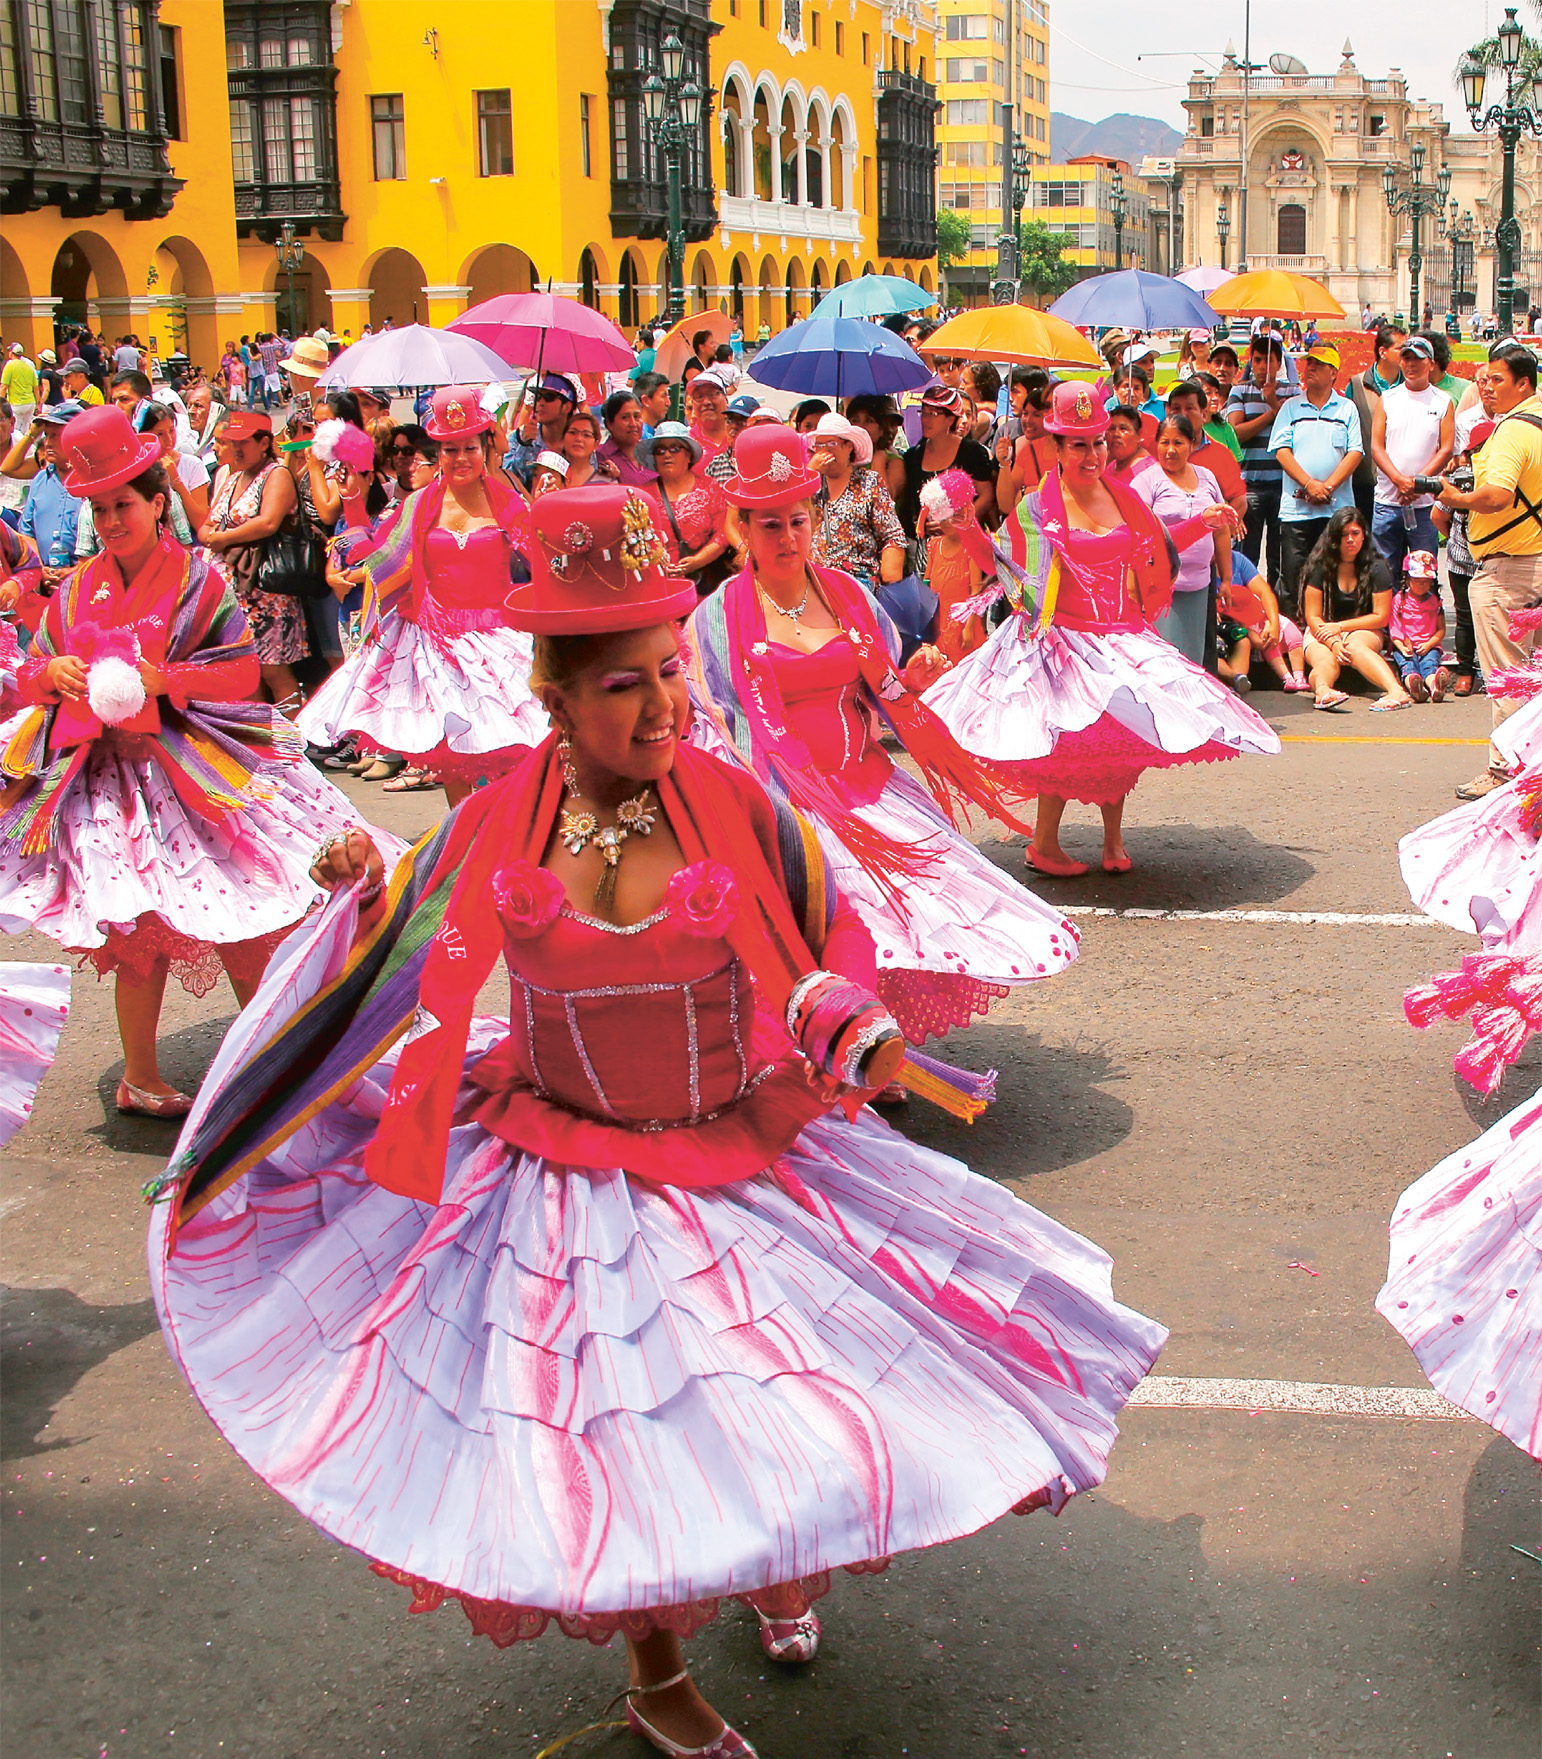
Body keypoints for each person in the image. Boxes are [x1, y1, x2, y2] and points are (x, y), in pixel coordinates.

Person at [148, 480, 1165, 1759]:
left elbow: (813, 945)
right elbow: (403, 952)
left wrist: (850, 1021)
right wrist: (362, 893)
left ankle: (776, 1559)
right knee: (619, 1438)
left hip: (735, 1150)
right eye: (626, 682)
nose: (666, 704)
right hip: (563, 1175)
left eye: (671, 671)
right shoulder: (499, 814)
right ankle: (656, 1667)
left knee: (783, 1395)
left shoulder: (730, 803)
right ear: (556, 697)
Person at [0, 406, 367, 1116]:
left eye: (123, 504)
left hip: (199, 772)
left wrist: (172, 680)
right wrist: (58, 676)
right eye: (100, 508)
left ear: (157, 500)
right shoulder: (77, 588)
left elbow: (238, 671)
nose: (111, 520)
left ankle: (269, 1059)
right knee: (140, 931)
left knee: (242, 917)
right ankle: (140, 1075)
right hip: (112, 784)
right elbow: (30, 670)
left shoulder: (198, 579)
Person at [689, 422, 1079, 1052]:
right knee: (810, 929)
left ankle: (871, 1044)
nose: (787, 537)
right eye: (769, 524)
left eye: (798, 519)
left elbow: (882, 684)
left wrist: (916, 675)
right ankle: (821, 1047)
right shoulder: (717, 615)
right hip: (782, 805)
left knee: (887, 928)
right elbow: (712, 725)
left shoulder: (848, 594)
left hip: (867, 788)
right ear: (742, 527)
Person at [922, 381, 1279, 877]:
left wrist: (1204, 521)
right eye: (1078, 443)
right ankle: (1045, 845)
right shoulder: (1037, 507)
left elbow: (1155, 545)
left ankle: (1112, 841)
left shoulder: (1125, 498)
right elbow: (1004, 564)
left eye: (1098, 441)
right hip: (1064, 639)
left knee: (1124, 731)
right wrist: (964, 526)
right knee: (1065, 740)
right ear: (1056, 446)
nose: (1091, 453)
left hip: (1121, 635)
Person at [297, 387, 548, 808]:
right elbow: (378, 556)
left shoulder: (507, 501)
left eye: (470, 446)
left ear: (486, 448)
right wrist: (353, 500)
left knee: (514, 750)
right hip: (436, 644)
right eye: (449, 449)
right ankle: (462, 845)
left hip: (501, 642)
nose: (461, 458)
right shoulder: (420, 504)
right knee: (454, 760)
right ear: (437, 453)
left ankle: (511, 842)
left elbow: (543, 560)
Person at [1436, 340, 1542, 797]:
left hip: (1509, 569)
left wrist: (1456, 498)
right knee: (1531, 674)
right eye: (1484, 379)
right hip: (1533, 559)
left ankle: (1505, 771)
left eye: (1497, 380)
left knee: (1507, 676)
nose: (1487, 389)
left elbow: (1497, 494)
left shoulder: (1514, 431)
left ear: (1523, 384)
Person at [1269, 341, 1363, 616]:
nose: (1310, 368)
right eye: (1308, 363)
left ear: (1334, 372)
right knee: (1293, 575)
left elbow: (1355, 452)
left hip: (1336, 509)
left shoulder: (1346, 409)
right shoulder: (1291, 408)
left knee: (1335, 573)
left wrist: (1327, 487)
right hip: (1297, 511)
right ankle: (1295, 636)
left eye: (1318, 364)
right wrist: (1310, 484)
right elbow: (1282, 451)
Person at [1298, 506, 1410, 712]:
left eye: (1355, 533)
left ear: (1364, 535)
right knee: (1325, 659)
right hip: (1322, 628)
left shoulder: (1377, 567)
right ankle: (1323, 691)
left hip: (1363, 628)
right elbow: (1312, 616)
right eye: (1344, 535)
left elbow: (1381, 617)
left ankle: (1396, 691)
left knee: (1355, 647)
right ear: (1334, 538)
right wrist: (1332, 642)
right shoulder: (1320, 566)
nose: (1350, 539)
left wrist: (1340, 628)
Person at [1431, 366, 1497, 698]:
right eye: (1475, 448)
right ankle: (1467, 671)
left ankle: (1495, 672)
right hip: (1461, 558)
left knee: (1495, 616)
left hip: (1493, 558)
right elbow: (1438, 516)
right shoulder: (1459, 477)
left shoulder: (1499, 479)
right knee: (1466, 616)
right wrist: (1459, 537)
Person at [1369, 335, 1455, 579]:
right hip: (1388, 499)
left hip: (1423, 503)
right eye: (1406, 359)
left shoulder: (1442, 401)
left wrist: (1417, 483)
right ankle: (1388, 617)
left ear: (1430, 363)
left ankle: (1422, 617)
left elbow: (1446, 448)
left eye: (1417, 359)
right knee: (1384, 574)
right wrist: (1399, 480)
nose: (1410, 364)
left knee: (1424, 571)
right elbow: (1377, 446)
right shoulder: (1388, 399)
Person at [808, 412, 906, 591]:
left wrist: (891, 579)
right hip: (816, 582)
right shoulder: (810, 486)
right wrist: (809, 475)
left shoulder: (869, 482)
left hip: (859, 582)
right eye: (820, 445)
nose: (825, 451)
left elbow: (892, 536)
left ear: (848, 447)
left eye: (832, 444)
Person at [1227, 333, 1293, 595]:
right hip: (1251, 484)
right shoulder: (1240, 391)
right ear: (1250, 362)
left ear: (1279, 363)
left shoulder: (1292, 392)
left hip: (1282, 484)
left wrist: (1275, 402)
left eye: (1270, 360)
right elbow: (1237, 433)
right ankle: (1244, 602)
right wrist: (1271, 412)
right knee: (1247, 552)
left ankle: (1276, 606)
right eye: (1258, 360)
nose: (1264, 366)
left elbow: (1294, 432)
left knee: (1279, 554)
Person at [897, 386, 995, 545]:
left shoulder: (971, 452)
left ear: (950, 419)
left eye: (933, 414)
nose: (925, 419)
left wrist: (957, 523)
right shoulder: (912, 457)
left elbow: (986, 496)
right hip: (926, 548)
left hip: (965, 542)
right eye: (923, 412)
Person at [637, 420, 730, 589]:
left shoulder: (709, 487)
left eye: (674, 448)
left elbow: (723, 533)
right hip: (659, 585)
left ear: (688, 455)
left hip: (704, 582)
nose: (667, 454)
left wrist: (697, 561)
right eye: (660, 450)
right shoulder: (643, 495)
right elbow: (637, 537)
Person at [1217, 553, 1308, 692]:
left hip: (1239, 622)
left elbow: (1264, 592)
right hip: (1215, 623)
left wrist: (1273, 624)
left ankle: (1235, 687)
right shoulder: (1202, 566)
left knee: (1244, 642)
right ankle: (1234, 678)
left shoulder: (1237, 560)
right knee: (1218, 647)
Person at [1345, 322, 1407, 523]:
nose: (1406, 354)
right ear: (1383, 352)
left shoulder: (1411, 386)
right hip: (1365, 480)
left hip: (1402, 481)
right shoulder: (1357, 384)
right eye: (1400, 348)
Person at [16, 404, 84, 578]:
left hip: (88, 581)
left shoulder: (95, 480)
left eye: (56, 436)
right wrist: (39, 569)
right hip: (46, 579)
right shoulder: (40, 480)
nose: (48, 443)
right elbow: (27, 532)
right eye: (47, 435)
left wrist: (74, 572)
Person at [1164, 379, 1247, 519]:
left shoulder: (1220, 455)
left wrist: (1221, 535)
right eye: (1176, 409)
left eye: (1189, 408)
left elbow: (1239, 500)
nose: (1182, 415)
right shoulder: (1153, 448)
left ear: (1203, 415)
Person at [1387, 549, 1450, 702]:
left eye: (1426, 581)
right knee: (1408, 666)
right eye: (1418, 580)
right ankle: (1414, 687)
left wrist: (1429, 644)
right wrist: (1401, 646)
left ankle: (1435, 686)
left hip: (1428, 645)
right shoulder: (1399, 600)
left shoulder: (1435, 602)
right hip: (1404, 645)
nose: (1423, 584)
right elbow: (1394, 628)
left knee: (1429, 664)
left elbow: (1441, 630)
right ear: (1407, 579)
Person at [504, 372, 575, 487]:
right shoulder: (517, 439)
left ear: (567, 407)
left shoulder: (577, 441)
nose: (540, 403)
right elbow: (510, 482)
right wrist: (524, 445)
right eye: (537, 397)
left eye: (549, 397)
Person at [597, 388, 658, 487]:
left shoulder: (652, 453)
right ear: (609, 423)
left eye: (637, 416)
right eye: (625, 417)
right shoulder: (601, 459)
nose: (633, 424)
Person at [556, 407, 615, 490]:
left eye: (586, 435)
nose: (578, 439)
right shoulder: (550, 478)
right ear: (563, 438)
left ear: (596, 444)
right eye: (573, 432)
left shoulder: (607, 482)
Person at [685, 370, 734, 466]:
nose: (706, 402)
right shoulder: (687, 443)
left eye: (712, 394)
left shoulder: (739, 435)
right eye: (699, 396)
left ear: (726, 399)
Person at [2, 343, 38, 430]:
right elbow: (35, 388)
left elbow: (4, 386)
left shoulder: (9, 366)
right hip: (30, 403)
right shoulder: (28, 367)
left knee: (15, 429)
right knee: (26, 428)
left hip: (17, 404)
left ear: (11, 353)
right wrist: (38, 404)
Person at [633, 369, 672, 438]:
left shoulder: (649, 433)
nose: (668, 403)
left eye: (668, 396)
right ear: (645, 400)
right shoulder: (639, 436)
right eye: (663, 396)